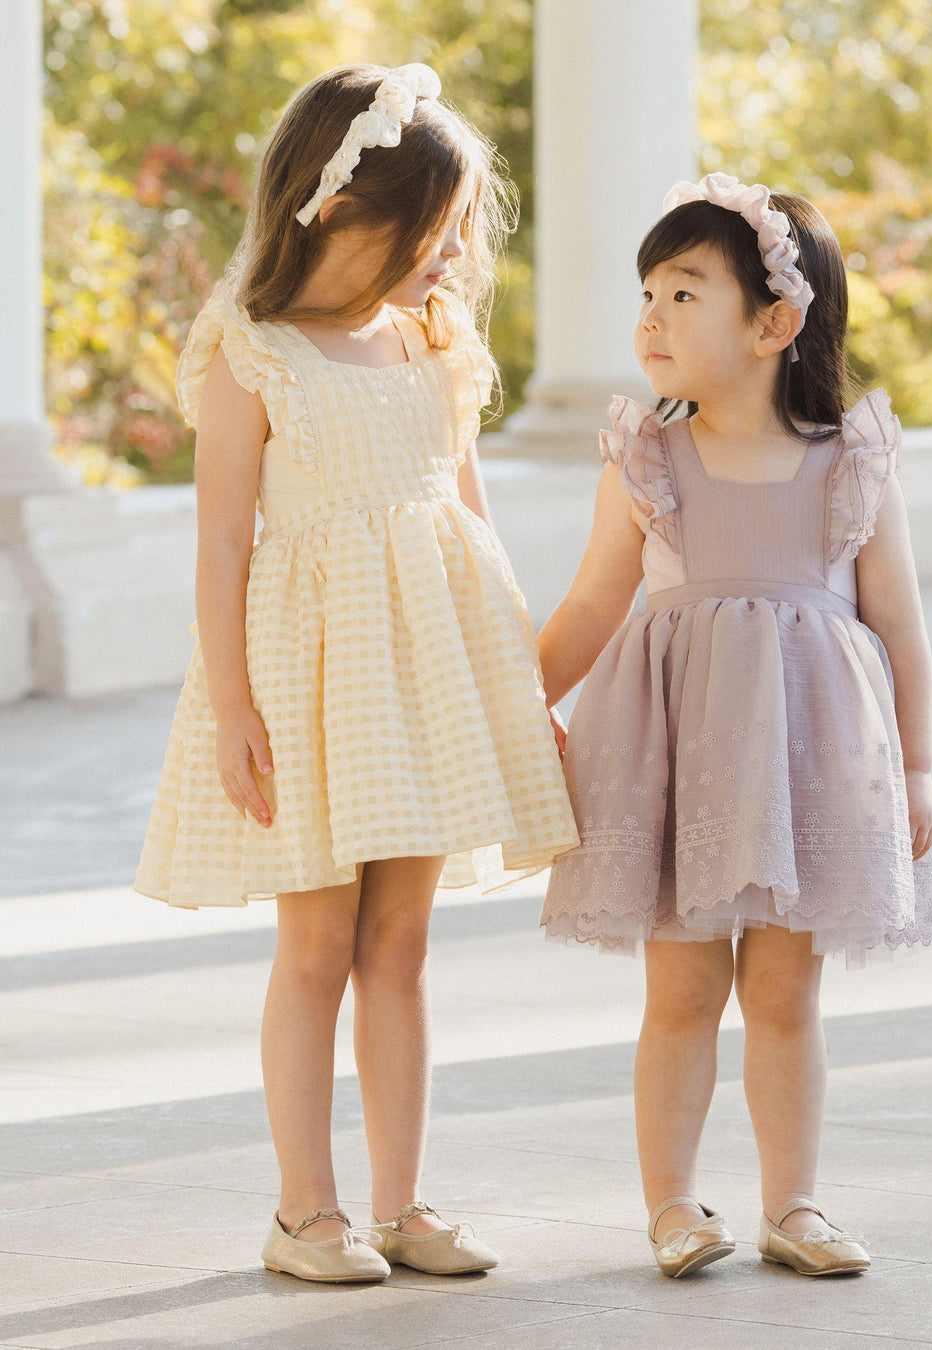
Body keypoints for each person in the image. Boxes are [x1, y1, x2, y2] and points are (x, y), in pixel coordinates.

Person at [135, 61, 579, 1283]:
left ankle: (404, 1203)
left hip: (428, 676)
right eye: (430, 234)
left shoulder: (432, 342)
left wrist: (518, 695)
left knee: (402, 947)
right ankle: (302, 1213)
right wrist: (232, 706)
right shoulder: (252, 350)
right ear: (338, 210)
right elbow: (222, 538)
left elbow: (469, 522)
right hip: (314, 683)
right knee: (319, 947)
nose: (451, 259)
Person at [537, 172, 932, 1278]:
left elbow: (901, 627)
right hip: (680, 761)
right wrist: (518, 699)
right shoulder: (647, 462)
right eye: (648, 294)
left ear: (774, 324)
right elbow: (590, 606)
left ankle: (796, 1204)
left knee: (783, 993)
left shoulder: (850, 465)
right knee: (681, 990)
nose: (651, 319)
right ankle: (673, 1205)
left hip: (807, 766)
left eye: (684, 294)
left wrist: (917, 771)